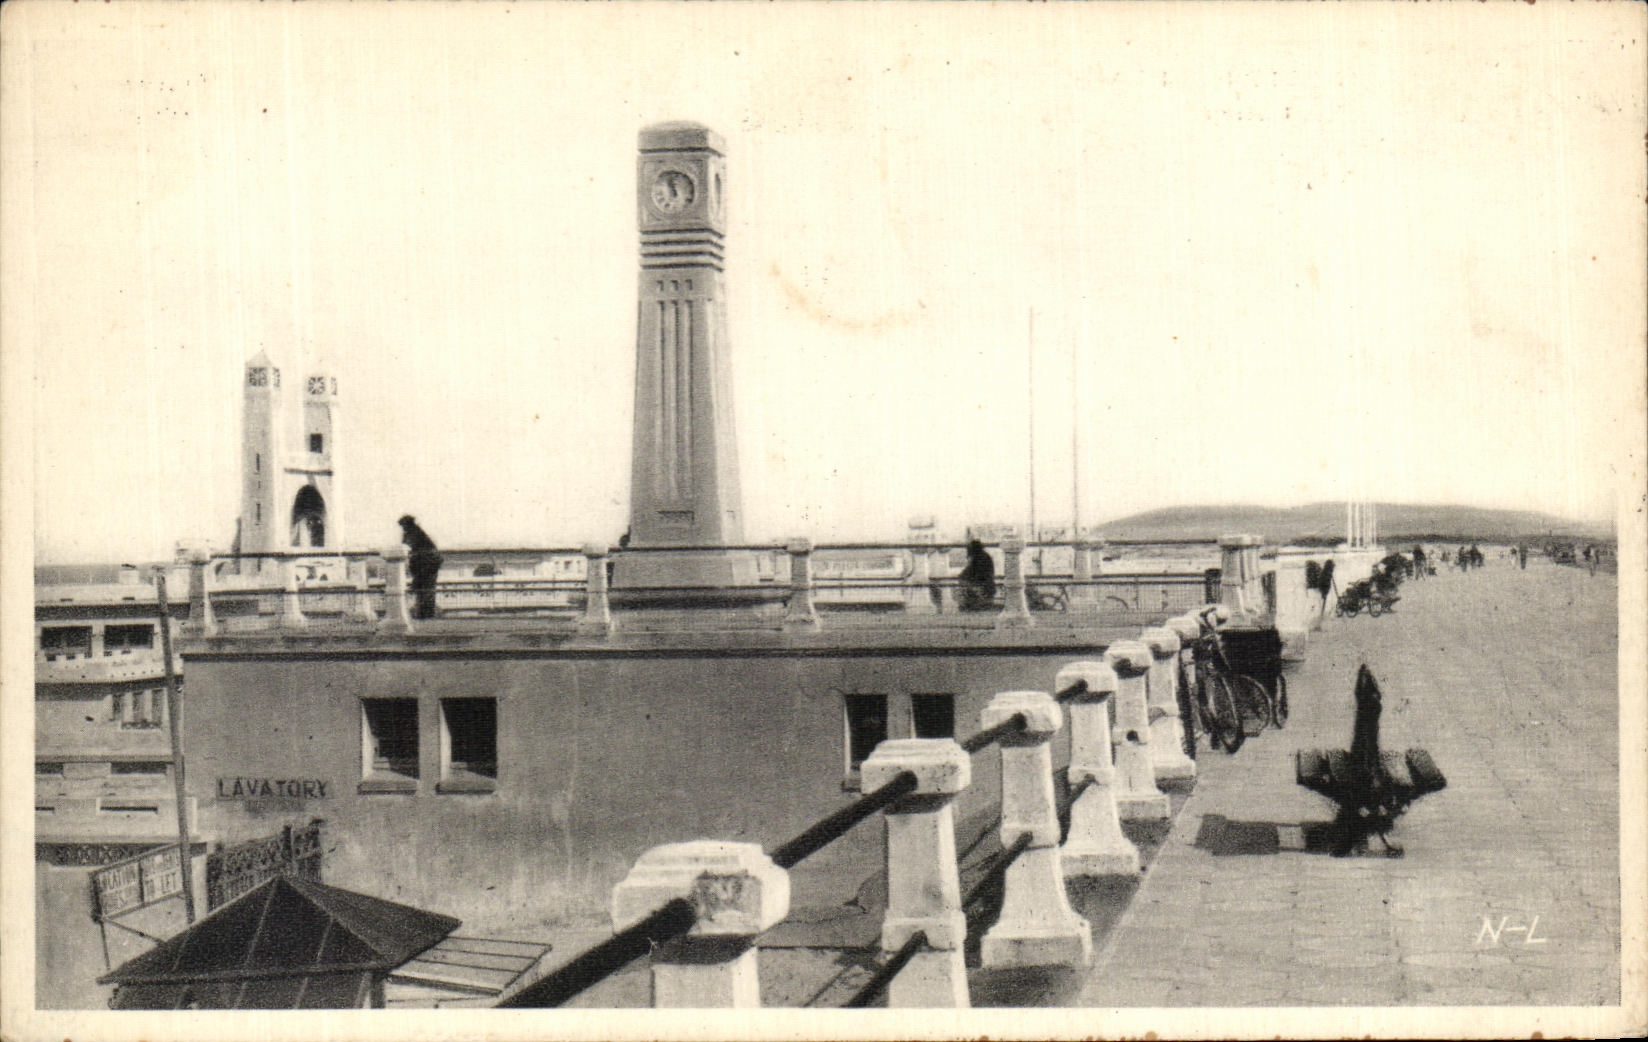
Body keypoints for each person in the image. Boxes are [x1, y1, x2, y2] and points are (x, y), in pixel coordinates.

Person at [399, 515, 443, 620]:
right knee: (426, 589)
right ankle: (425, 613)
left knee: (424, 589)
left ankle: (425, 614)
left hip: (425, 564)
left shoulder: (414, 534)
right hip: (427, 563)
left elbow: (407, 545)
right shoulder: (418, 533)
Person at [957, 539, 997, 612]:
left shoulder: (978, 558)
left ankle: (968, 604)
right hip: (987, 584)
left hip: (982, 584)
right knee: (965, 584)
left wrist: (962, 575)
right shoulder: (984, 556)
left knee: (964, 584)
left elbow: (971, 572)